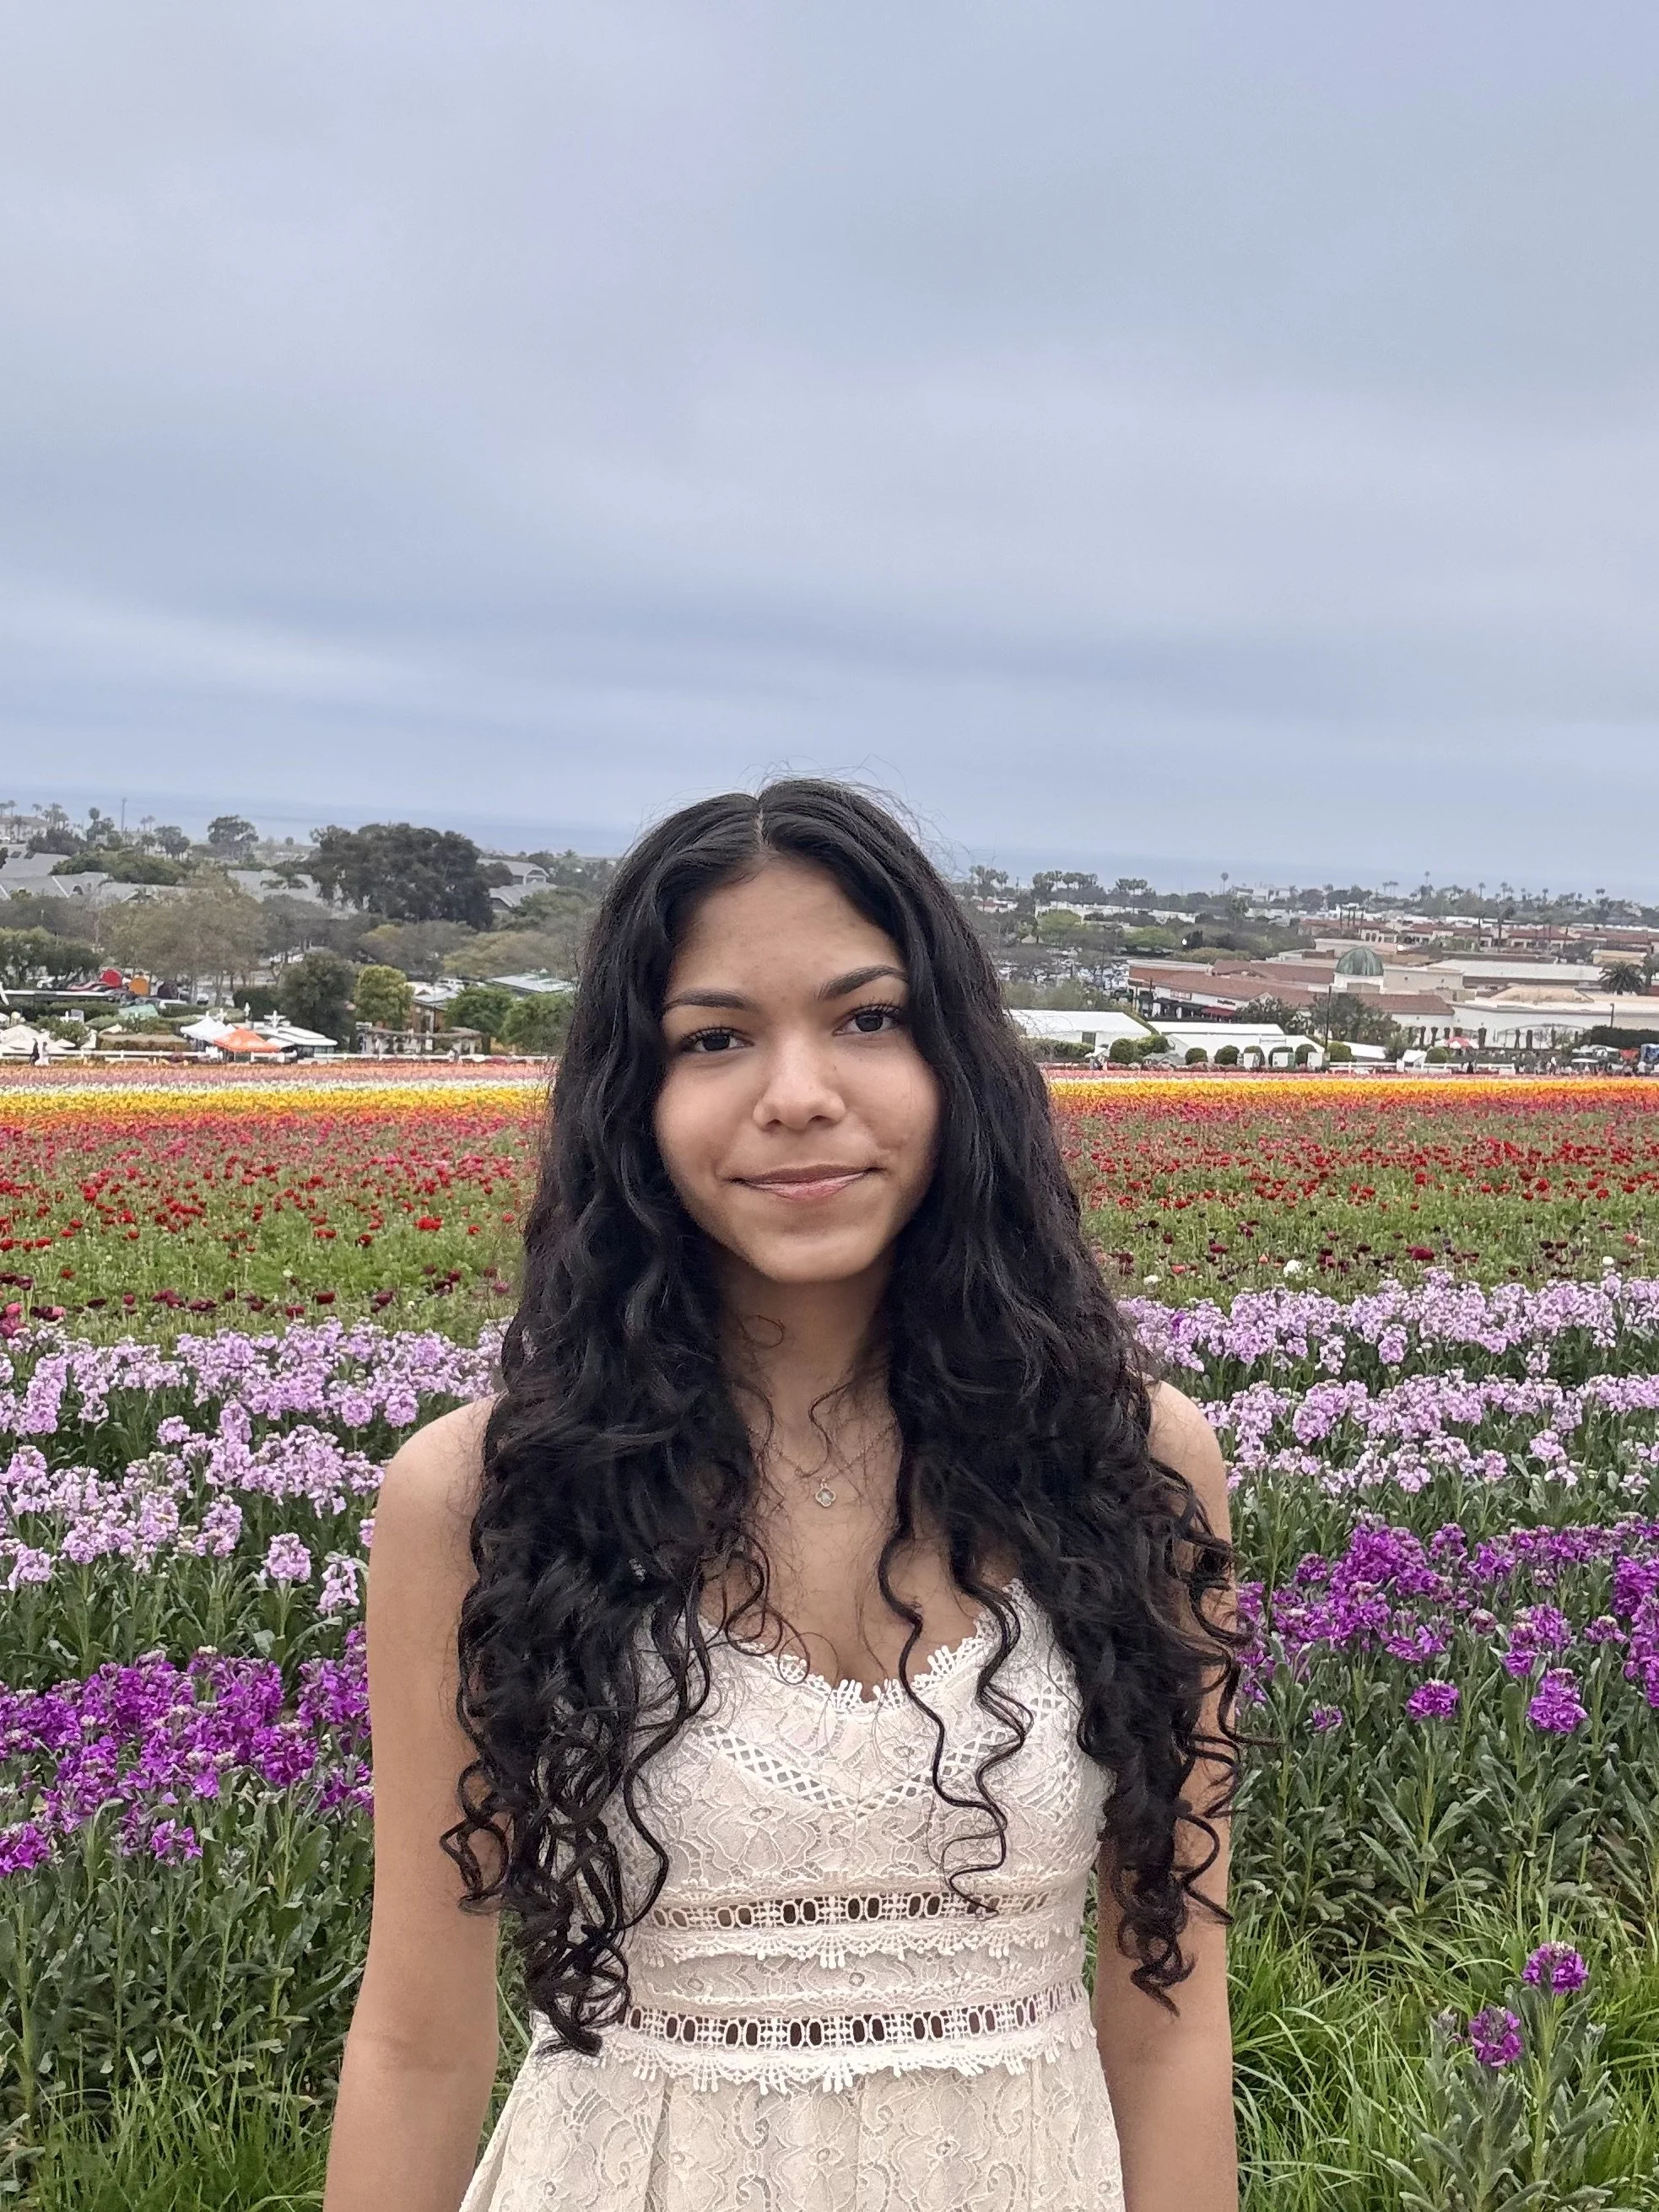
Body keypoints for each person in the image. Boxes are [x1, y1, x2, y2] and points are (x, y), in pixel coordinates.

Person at [323, 780, 1241, 2212]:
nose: (798, 1091)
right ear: (634, 1099)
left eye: (867, 1017)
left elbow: (1171, 2020)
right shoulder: (482, 1496)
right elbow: (417, 2042)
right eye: (714, 1038)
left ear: (959, 1064)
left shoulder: (1131, 1465)